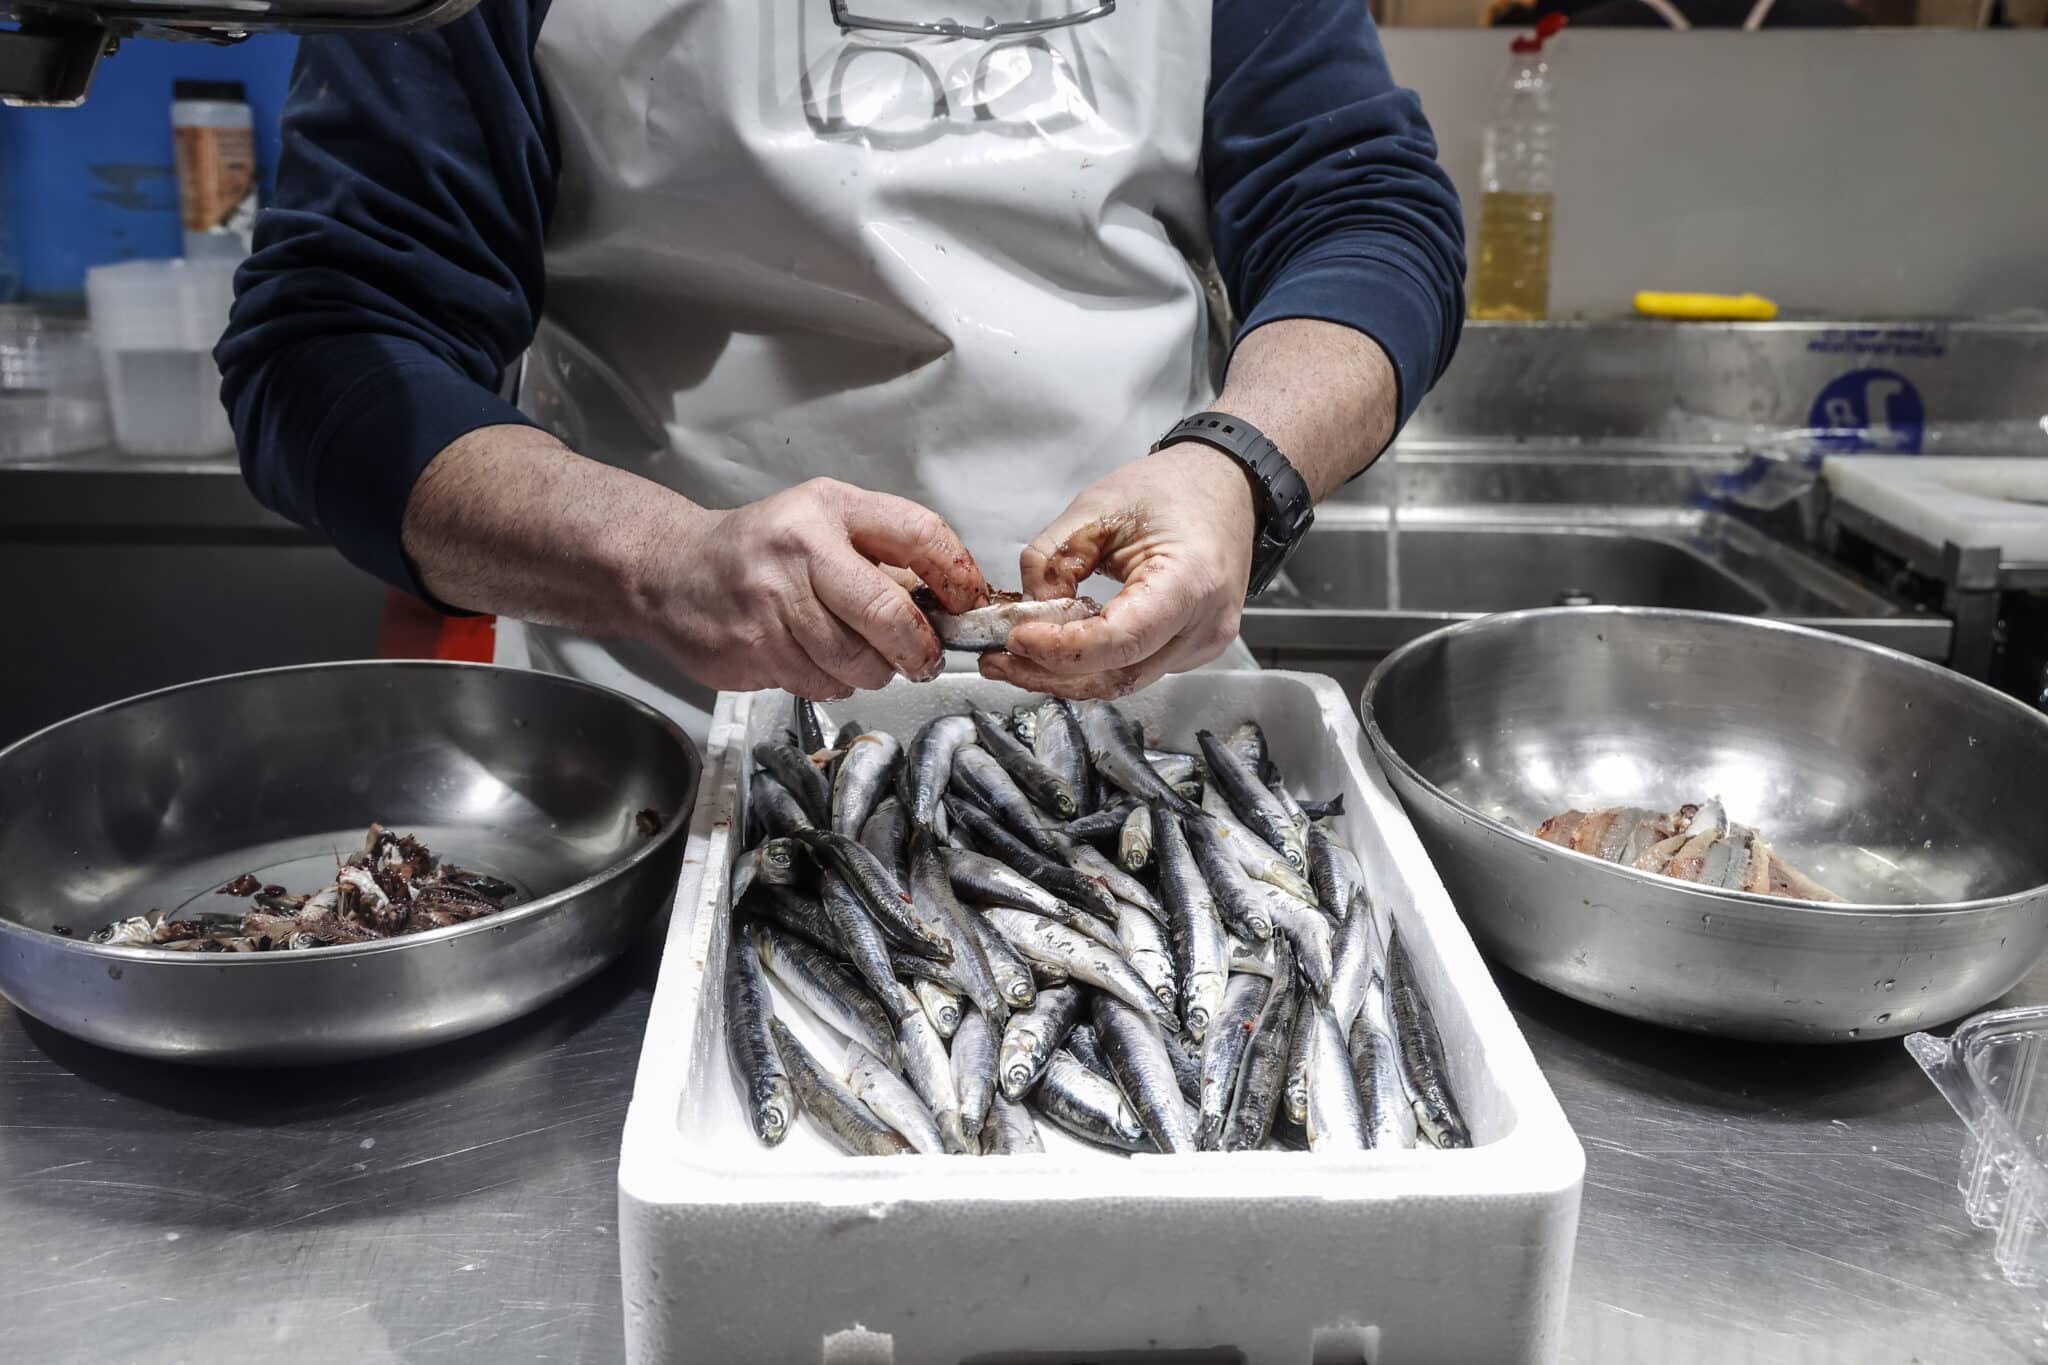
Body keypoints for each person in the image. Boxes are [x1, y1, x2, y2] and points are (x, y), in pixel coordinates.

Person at [216, 0, 1465, 729]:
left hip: (1150, 734)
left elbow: (1361, 210)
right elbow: (333, 340)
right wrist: (657, 559)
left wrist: (1236, 469)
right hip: (674, 753)